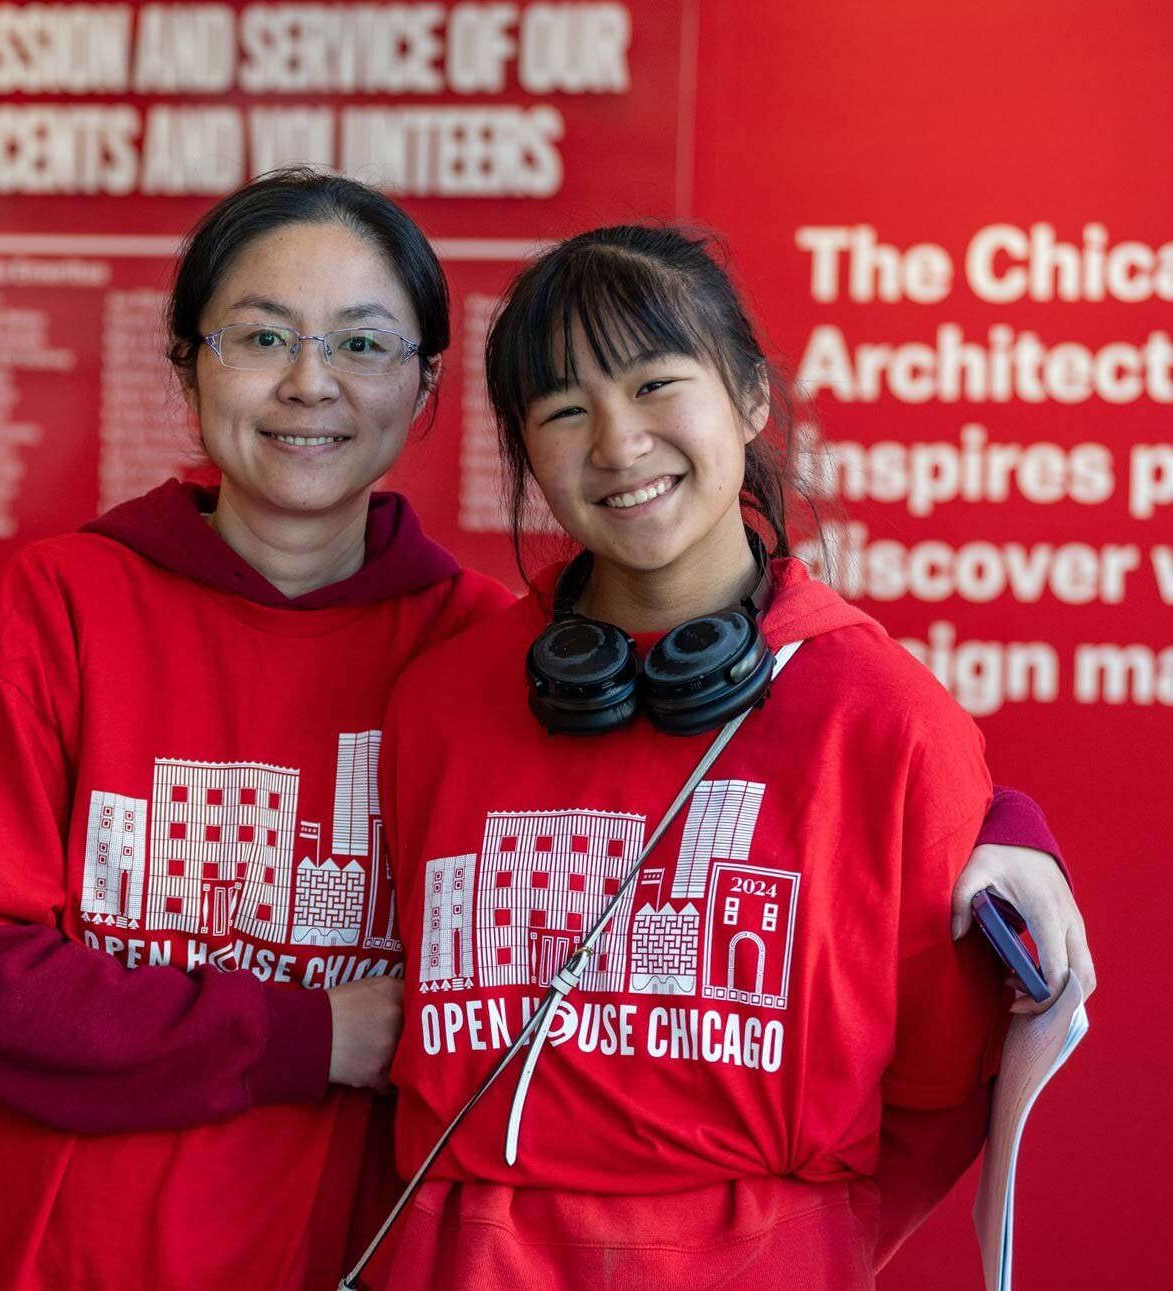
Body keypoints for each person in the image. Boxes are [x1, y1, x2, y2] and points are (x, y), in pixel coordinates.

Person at [0, 175, 1085, 1291]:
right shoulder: (92, 609)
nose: (312, 383)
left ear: (422, 390)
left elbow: (845, 792)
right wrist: (316, 1034)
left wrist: (1000, 825)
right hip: (72, 1252)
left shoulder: (468, 649)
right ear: (188, 368)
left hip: (344, 1246)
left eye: (361, 345)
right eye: (261, 338)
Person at [374, 224, 1094, 1289]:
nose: (618, 444)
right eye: (565, 409)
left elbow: (940, 1092)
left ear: (750, 397)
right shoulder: (443, 698)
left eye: (657, 383)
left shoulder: (885, 717)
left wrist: (774, 1244)